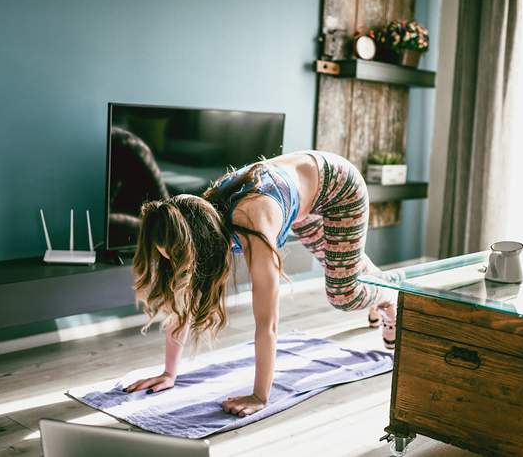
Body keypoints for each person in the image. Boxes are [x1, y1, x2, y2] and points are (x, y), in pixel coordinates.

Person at [123, 150, 403, 417]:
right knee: (342, 267)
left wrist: (259, 396)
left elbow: (267, 324)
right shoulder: (197, 218)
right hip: (303, 196)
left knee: (344, 294)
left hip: (339, 187)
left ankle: (388, 291)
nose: (177, 266)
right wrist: (169, 373)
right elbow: (184, 297)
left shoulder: (255, 226)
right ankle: (370, 283)